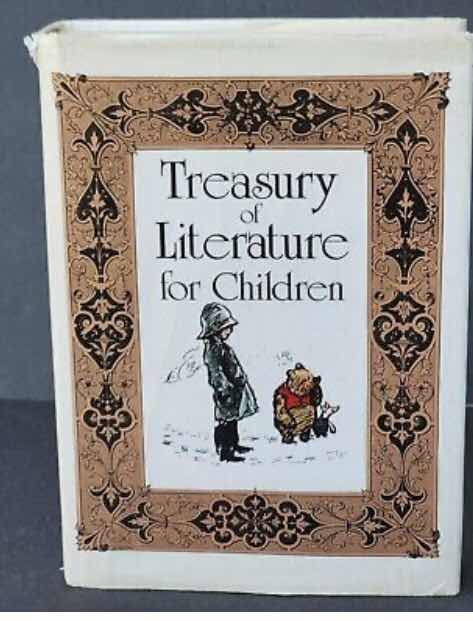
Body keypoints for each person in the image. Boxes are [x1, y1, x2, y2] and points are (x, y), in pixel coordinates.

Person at [198, 303, 258, 462]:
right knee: (224, 421)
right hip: (226, 391)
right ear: (215, 328)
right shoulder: (213, 349)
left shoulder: (221, 346)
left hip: (233, 389)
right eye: (226, 328)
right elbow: (216, 372)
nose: (230, 331)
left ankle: (234, 444)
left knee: (232, 419)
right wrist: (224, 389)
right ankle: (225, 451)